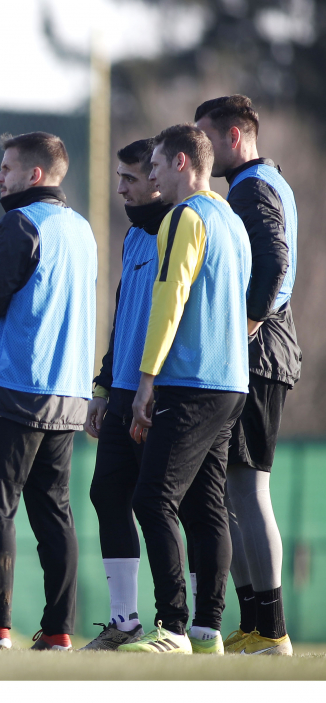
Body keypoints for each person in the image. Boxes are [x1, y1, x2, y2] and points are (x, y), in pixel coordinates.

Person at [0, 131, 96, 651]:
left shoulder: (20, 223)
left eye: (7, 168)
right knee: (55, 515)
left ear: (35, 174)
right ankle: (58, 631)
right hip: (67, 392)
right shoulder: (81, 229)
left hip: (14, 387)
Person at [119, 124, 250, 655]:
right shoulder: (232, 221)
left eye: (154, 165)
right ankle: (206, 630)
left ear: (180, 163)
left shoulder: (183, 216)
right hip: (230, 382)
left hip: (190, 380)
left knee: (152, 499)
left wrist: (146, 379)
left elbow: (169, 296)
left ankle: (171, 626)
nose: (150, 176)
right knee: (206, 506)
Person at [195, 95, 298, 656]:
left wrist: (249, 322)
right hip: (262, 353)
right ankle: (256, 625)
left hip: (260, 355)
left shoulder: (252, 188)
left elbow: (276, 263)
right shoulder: (267, 181)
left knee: (248, 487)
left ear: (233, 137)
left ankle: (273, 630)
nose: (201, 149)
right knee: (234, 487)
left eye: (207, 137)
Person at [80, 139, 173, 650]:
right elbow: (124, 322)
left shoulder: (180, 230)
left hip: (158, 394)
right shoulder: (135, 236)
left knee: (164, 506)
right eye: (119, 177)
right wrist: (101, 386)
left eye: (130, 178)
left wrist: (150, 383)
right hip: (119, 394)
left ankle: (182, 625)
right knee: (107, 494)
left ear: (157, 179)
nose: (120, 188)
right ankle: (125, 622)